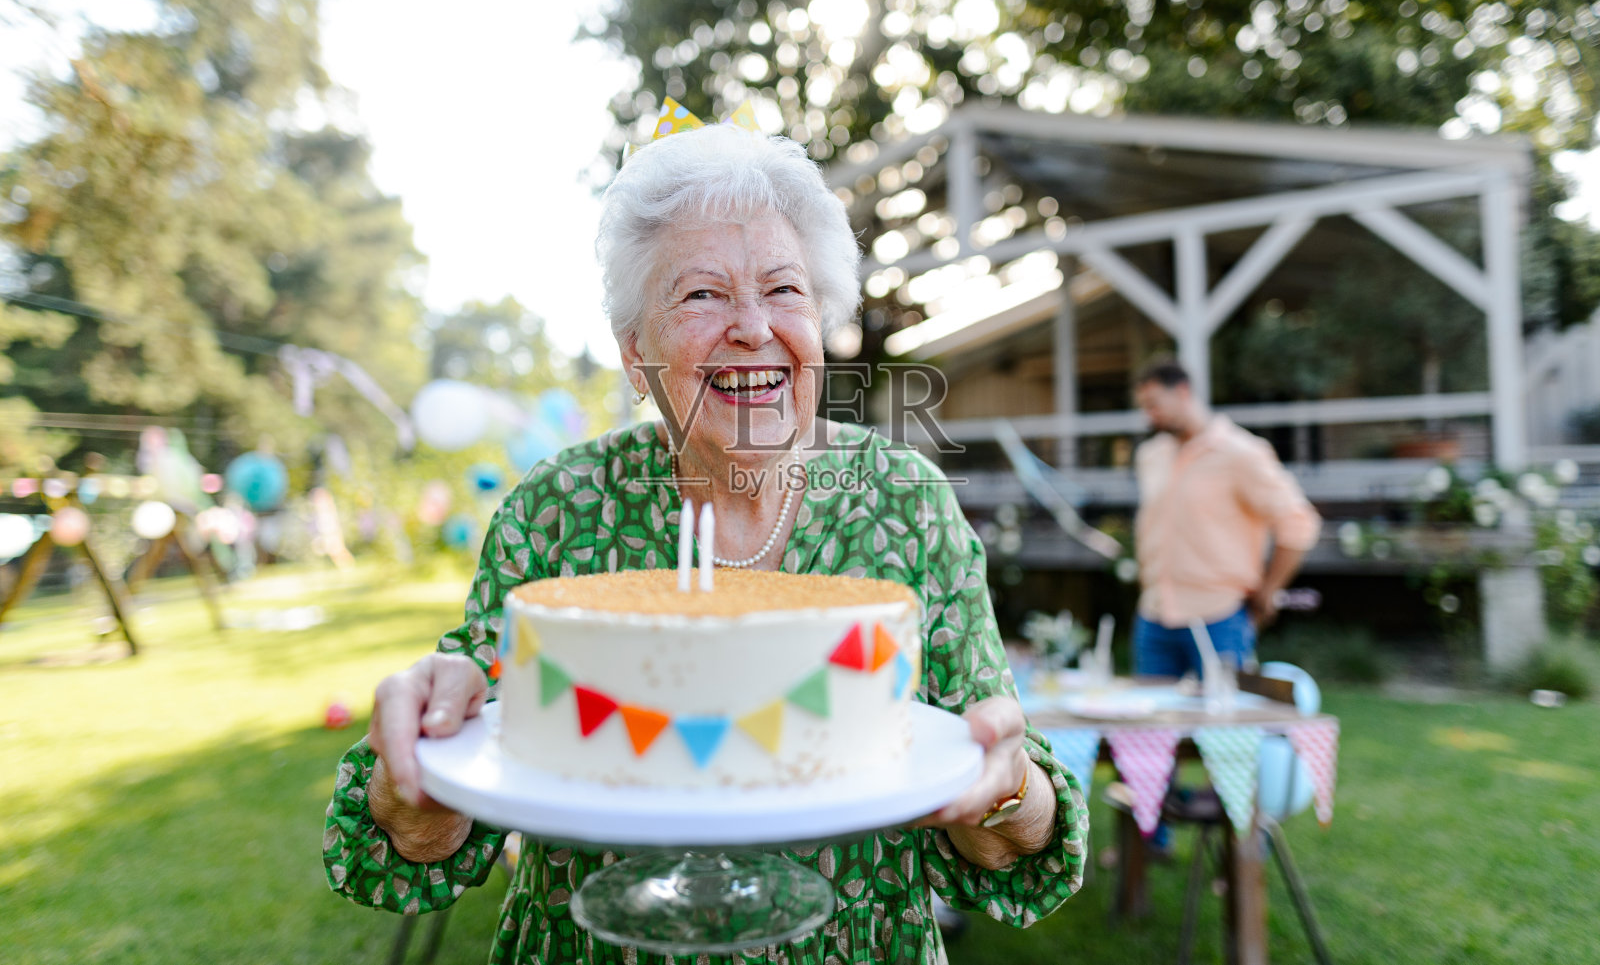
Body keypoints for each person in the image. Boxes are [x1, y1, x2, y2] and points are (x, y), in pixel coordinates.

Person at [323, 120, 1088, 964]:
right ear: (635, 352)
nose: (754, 327)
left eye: (785, 290)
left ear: (822, 323)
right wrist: (416, 764)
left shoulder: (907, 504)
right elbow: (423, 842)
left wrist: (1009, 787)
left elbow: (1009, 845)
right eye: (701, 295)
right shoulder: (557, 509)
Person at [1131, 358, 1322, 678]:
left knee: (1223, 726)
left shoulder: (1241, 453)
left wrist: (1270, 589)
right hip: (1153, 617)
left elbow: (1299, 522)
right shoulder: (1150, 455)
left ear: (1182, 392)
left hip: (1219, 617)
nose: (1148, 415)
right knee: (1150, 728)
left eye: (1154, 404)